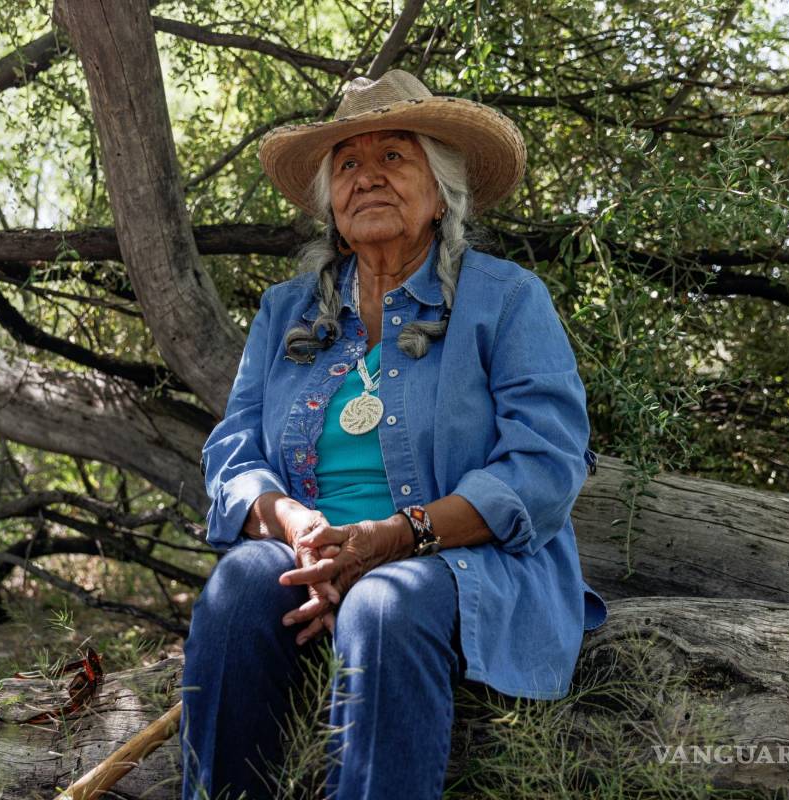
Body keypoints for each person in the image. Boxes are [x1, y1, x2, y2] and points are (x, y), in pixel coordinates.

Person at [179, 68, 608, 800]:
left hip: (454, 561)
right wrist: (292, 523)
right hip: (310, 558)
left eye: (393, 157)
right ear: (331, 204)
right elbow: (233, 449)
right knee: (241, 583)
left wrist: (395, 535)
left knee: (385, 603)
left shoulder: (505, 302)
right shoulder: (287, 314)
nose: (367, 178)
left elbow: (544, 466)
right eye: (348, 163)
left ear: (441, 194)